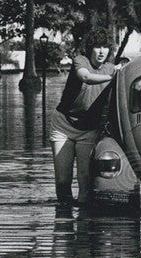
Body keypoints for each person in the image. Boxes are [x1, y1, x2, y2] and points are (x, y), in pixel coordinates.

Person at [50, 42, 116, 205]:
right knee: (63, 181)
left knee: (85, 180)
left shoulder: (111, 68)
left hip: (89, 129)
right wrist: (111, 78)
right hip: (63, 124)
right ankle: (64, 222)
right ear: (89, 48)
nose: (101, 51)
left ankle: (83, 224)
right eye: (97, 46)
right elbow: (85, 77)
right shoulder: (80, 61)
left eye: (105, 47)